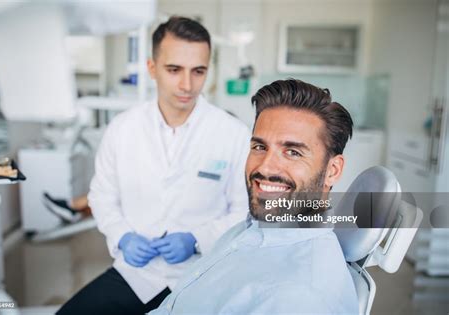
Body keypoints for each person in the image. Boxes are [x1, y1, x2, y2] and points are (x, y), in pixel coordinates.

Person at [56, 17, 250, 315]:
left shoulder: (233, 134)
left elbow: (244, 211)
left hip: (201, 274)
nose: (187, 85)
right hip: (137, 274)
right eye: (174, 70)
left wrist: (197, 239)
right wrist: (123, 236)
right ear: (152, 68)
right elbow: (101, 196)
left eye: (198, 71)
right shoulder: (122, 129)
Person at [149, 78, 360, 314]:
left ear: (333, 171)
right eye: (259, 147)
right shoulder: (256, 227)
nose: (266, 168)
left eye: (292, 152)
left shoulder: (297, 298)